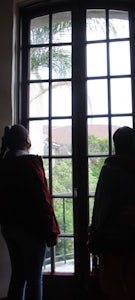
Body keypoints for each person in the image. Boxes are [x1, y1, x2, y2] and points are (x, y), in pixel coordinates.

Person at [87, 126, 135, 300]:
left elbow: (102, 205)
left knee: (110, 282)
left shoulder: (111, 169)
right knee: (133, 278)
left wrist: (95, 233)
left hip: (113, 235)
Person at [0, 124, 60, 300]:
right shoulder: (30, 164)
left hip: (8, 227)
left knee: (18, 276)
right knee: (34, 279)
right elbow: (43, 199)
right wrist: (52, 230)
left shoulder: (4, 164)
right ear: (27, 141)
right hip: (31, 229)